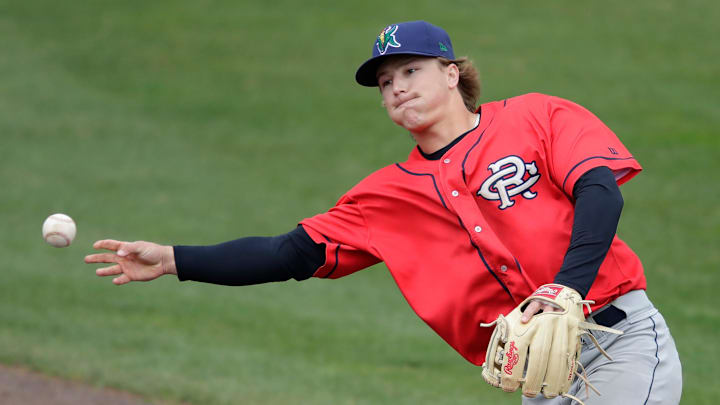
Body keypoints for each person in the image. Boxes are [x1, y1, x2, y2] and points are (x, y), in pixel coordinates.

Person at [85, 21, 682, 404]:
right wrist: (172, 259)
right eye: (385, 82)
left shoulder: (535, 117)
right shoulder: (383, 198)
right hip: (542, 379)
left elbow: (600, 193)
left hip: (620, 340)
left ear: (452, 74)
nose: (396, 87)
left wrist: (565, 291)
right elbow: (288, 254)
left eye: (411, 71)